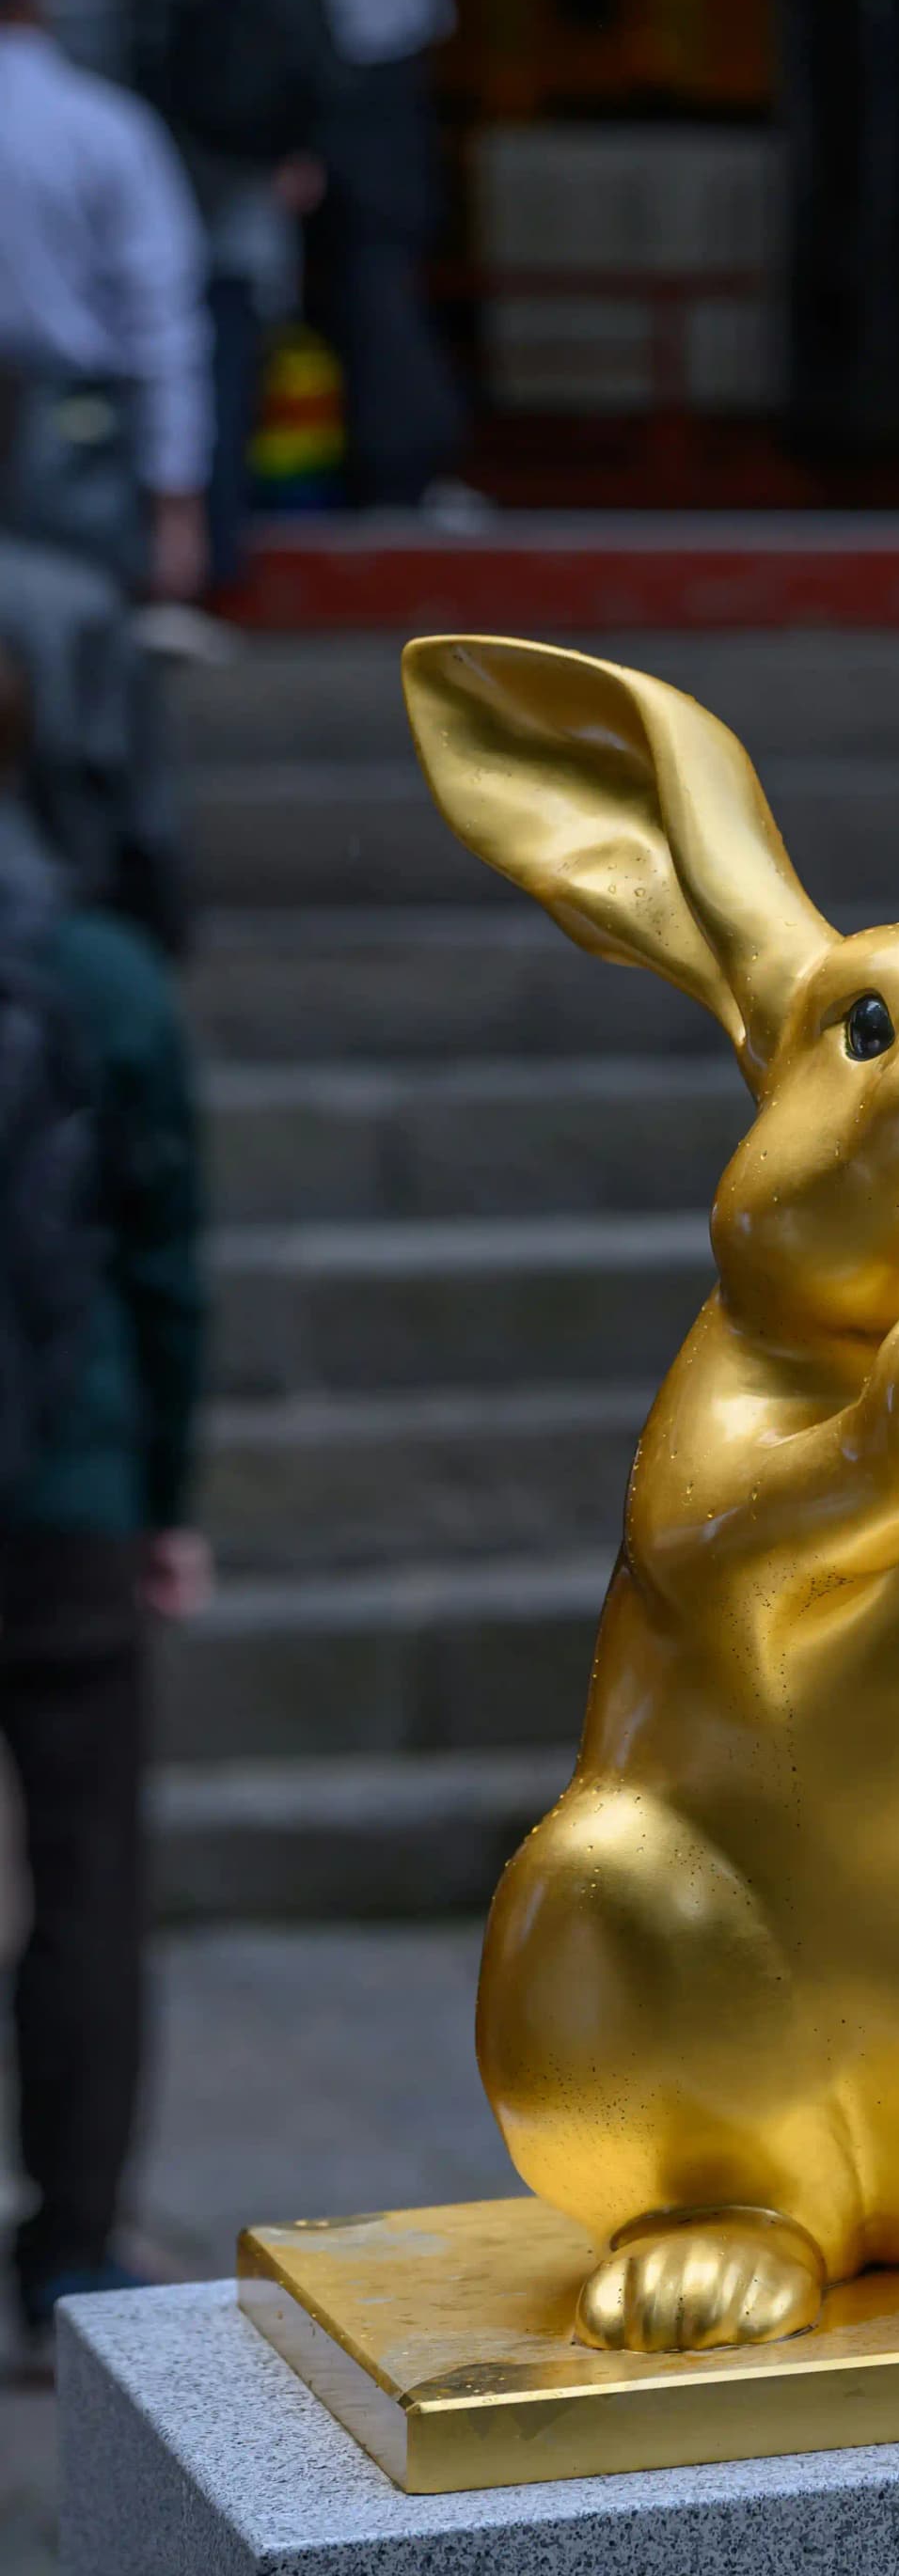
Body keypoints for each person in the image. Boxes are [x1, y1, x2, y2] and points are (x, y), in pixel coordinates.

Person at [0, 632, 209, 2368]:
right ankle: (70, 2246)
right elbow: (166, 1265)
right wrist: (164, 1496)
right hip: (65, 1480)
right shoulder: (102, 974)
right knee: (88, 1877)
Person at [0, 0, 212, 605]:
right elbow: (161, 314)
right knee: (82, 659)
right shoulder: (102, 126)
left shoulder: (101, 125)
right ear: (35, 0)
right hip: (79, 434)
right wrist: (176, 497)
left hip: (67, 427)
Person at [256, 0, 473, 510]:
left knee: (372, 262)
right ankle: (387, 477)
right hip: (298, 39)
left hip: (356, 37)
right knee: (351, 266)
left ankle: (385, 470)